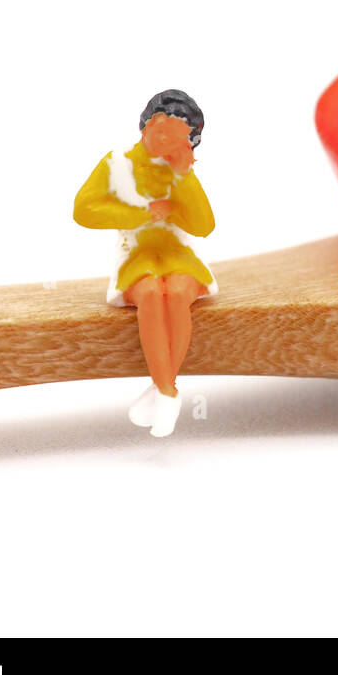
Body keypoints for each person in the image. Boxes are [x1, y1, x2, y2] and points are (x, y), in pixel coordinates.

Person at [74, 90, 215, 437]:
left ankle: (164, 390)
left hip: (178, 254)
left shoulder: (178, 170)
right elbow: (83, 210)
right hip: (136, 255)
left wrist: (184, 176)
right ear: (147, 125)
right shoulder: (116, 163)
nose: (166, 142)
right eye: (162, 130)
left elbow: (203, 226)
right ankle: (168, 391)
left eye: (179, 139)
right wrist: (139, 213)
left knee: (179, 292)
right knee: (151, 293)